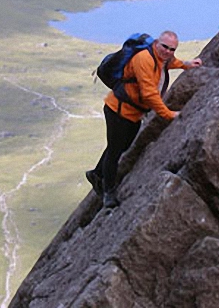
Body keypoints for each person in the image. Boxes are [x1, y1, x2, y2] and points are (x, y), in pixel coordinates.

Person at [86, 31, 202, 208]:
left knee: (121, 146)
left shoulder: (160, 58)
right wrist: (168, 114)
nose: (168, 51)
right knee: (115, 151)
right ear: (156, 43)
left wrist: (187, 65)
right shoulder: (144, 59)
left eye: (172, 49)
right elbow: (149, 94)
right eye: (165, 47)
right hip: (118, 110)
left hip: (133, 113)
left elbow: (170, 62)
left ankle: (96, 174)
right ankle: (108, 192)